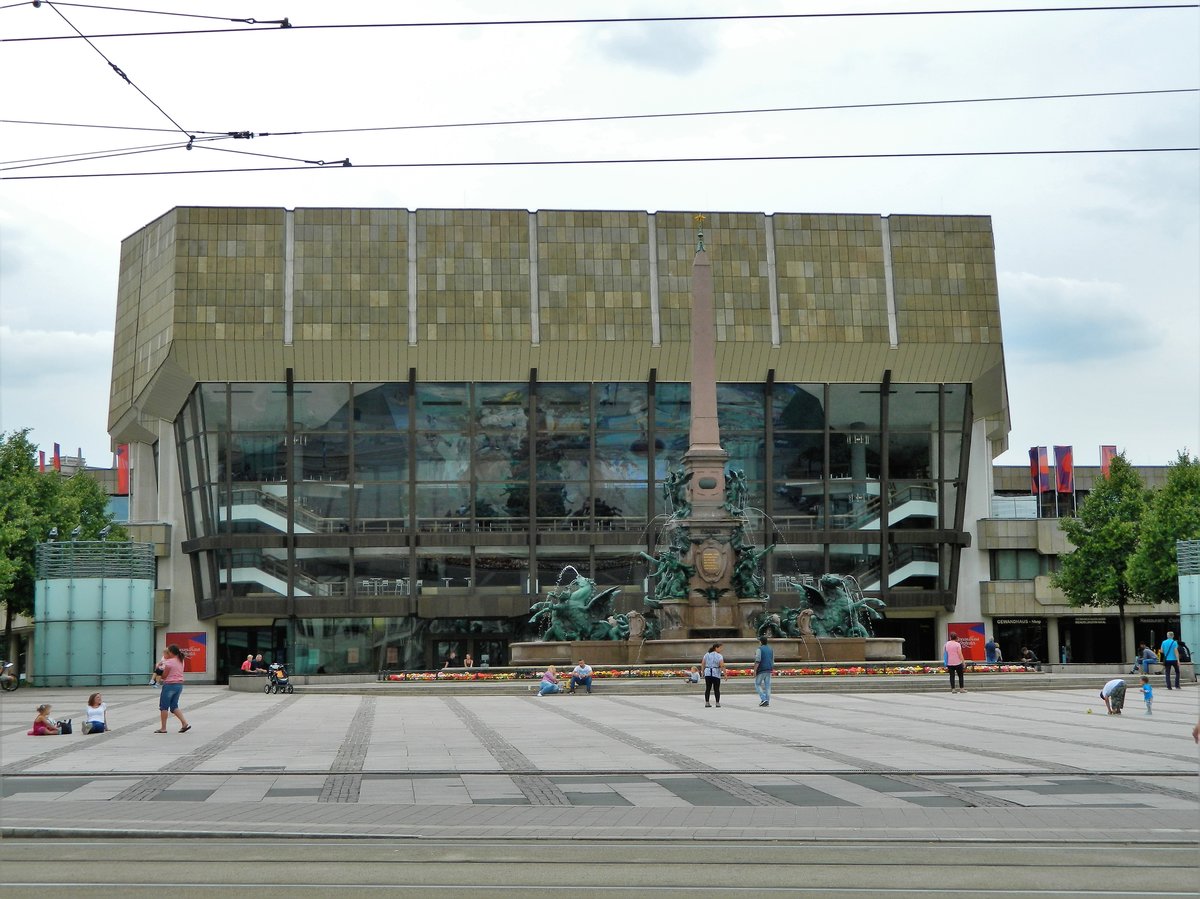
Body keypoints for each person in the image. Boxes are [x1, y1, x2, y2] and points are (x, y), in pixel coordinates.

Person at [155, 644, 191, 734]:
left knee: (164, 707)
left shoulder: (169, 662)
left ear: (170, 652)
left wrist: (157, 668)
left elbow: (164, 676)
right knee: (174, 706)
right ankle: (184, 723)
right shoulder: (181, 660)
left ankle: (163, 728)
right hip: (179, 685)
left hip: (169, 685)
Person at [702, 643, 725, 708]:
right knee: (716, 689)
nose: (721, 649)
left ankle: (707, 702)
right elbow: (722, 665)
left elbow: (703, 663)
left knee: (708, 688)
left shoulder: (707, 654)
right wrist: (725, 674)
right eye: (720, 648)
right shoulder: (719, 656)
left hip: (708, 673)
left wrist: (703, 671)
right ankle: (717, 703)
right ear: (716, 648)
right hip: (716, 673)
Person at [754, 635, 774, 707]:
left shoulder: (759, 649)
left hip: (761, 669)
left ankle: (763, 699)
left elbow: (757, 660)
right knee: (768, 685)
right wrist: (771, 668)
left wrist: (755, 670)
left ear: (761, 642)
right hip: (768, 669)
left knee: (757, 684)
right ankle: (767, 701)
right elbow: (772, 660)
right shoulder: (770, 649)